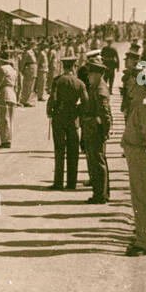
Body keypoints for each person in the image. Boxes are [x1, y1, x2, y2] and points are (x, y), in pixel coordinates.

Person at [121, 72, 146, 255]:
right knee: (145, 196)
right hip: (139, 154)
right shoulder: (143, 103)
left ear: (140, 87)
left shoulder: (144, 106)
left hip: (140, 155)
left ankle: (144, 241)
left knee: (143, 198)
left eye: (132, 85)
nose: (129, 89)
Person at [46, 56, 87, 190]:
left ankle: (58, 182)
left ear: (64, 66)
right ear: (74, 66)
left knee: (59, 151)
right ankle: (72, 183)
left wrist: (50, 111)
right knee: (73, 151)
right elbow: (85, 102)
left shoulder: (57, 80)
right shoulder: (79, 83)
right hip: (72, 117)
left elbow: (52, 98)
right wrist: (77, 110)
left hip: (59, 116)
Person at [80, 59, 112, 203]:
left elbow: (105, 114)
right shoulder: (96, 86)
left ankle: (100, 195)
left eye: (91, 73)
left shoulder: (100, 90)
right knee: (98, 161)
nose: (88, 76)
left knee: (98, 162)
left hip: (95, 130)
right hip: (93, 129)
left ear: (98, 74)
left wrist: (105, 131)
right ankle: (103, 193)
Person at [0, 52, 18, 148]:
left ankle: (5, 140)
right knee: (10, 119)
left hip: (4, 93)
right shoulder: (13, 70)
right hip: (12, 93)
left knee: (3, 118)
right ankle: (8, 139)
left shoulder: (2, 69)